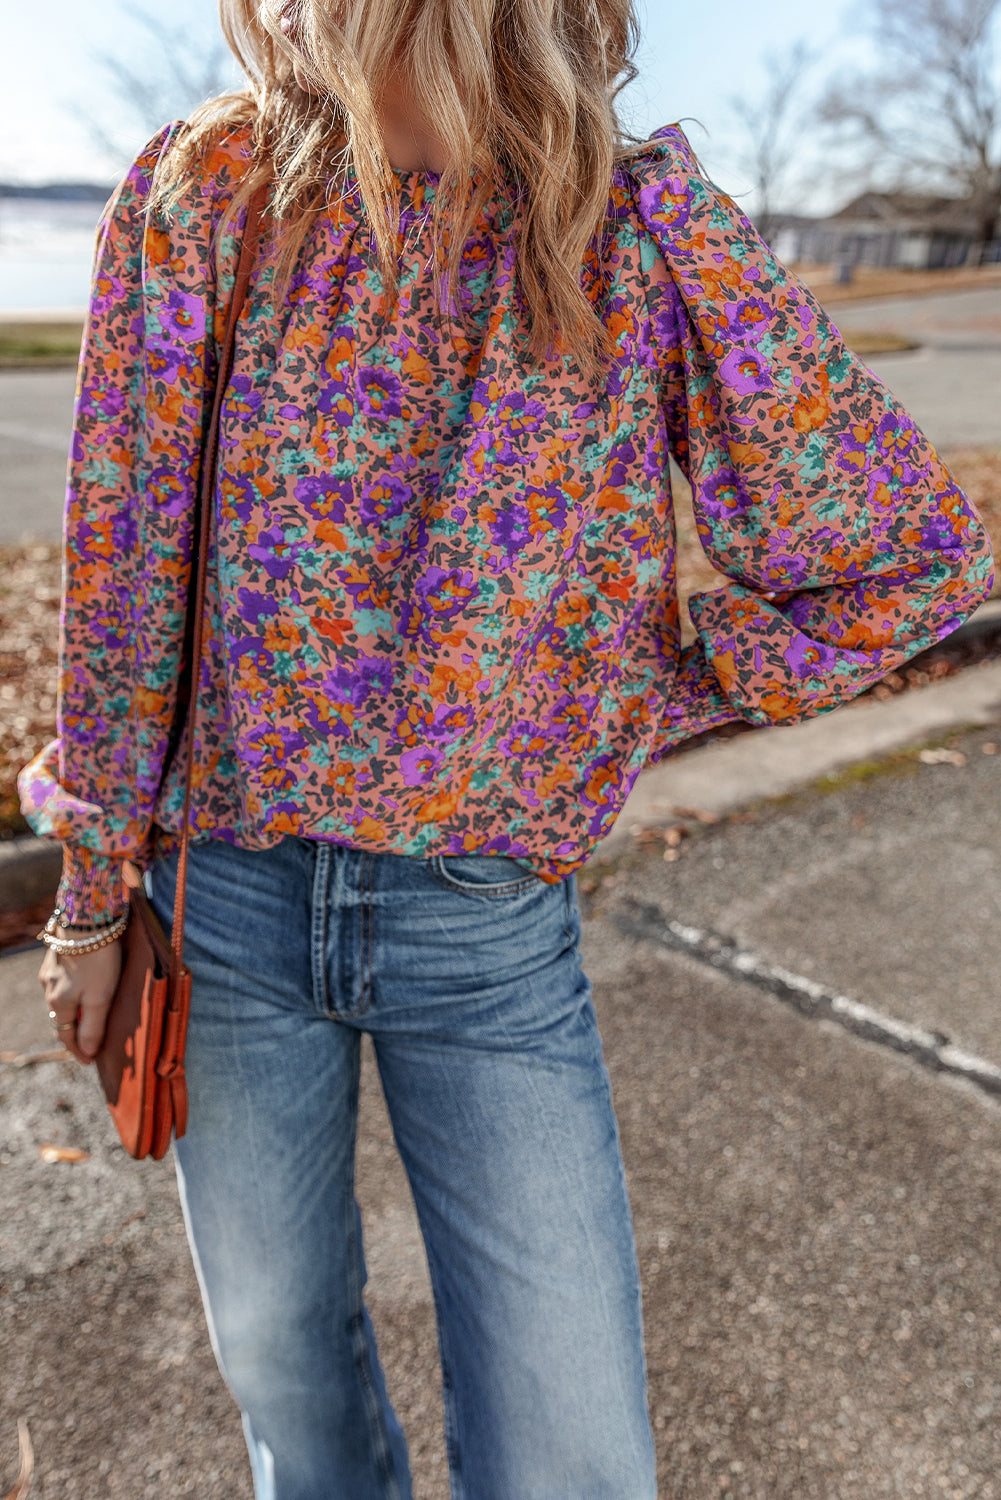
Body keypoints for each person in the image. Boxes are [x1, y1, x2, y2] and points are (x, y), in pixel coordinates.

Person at [19, 0, 994, 1495]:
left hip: (482, 937)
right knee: (284, 1375)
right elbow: (127, 570)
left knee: (573, 1463)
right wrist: (92, 898)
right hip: (231, 902)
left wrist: (612, 691)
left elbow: (902, 561)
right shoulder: (207, 189)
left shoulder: (639, 222)